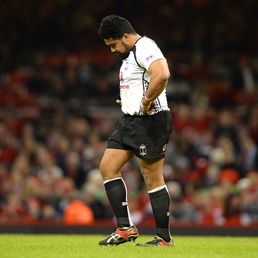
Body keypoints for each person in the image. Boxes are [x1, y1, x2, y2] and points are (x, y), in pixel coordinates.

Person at [97, 15, 173, 247]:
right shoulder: (131, 54)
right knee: (108, 167)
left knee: (152, 178)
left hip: (150, 121)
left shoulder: (145, 47)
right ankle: (125, 228)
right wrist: (131, 101)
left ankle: (163, 238)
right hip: (130, 121)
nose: (112, 50)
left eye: (114, 44)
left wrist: (146, 100)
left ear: (126, 36)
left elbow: (162, 74)